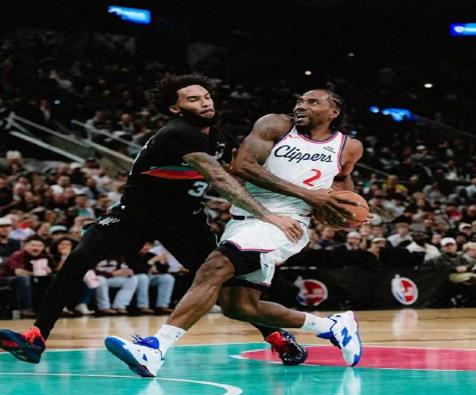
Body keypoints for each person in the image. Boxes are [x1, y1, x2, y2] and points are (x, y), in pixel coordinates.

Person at [0, 73, 331, 365]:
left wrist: (307, 194)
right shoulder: (177, 132)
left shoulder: (220, 137)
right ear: (175, 108)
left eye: (206, 96)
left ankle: (277, 337)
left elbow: (243, 172)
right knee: (78, 259)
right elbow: (219, 178)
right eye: (193, 99)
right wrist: (267, 215)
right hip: (135, 216)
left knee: (222, 283)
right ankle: (36, 337)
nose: (204, 102)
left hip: (185, 221)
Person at [105, 89, 364, 377]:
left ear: (334, 112)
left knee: (214, 267)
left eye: (312, 102)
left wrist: (343, 213)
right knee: (239, 306)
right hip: (246, 218)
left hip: (286, 223)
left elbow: (342, 186)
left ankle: (156, 349)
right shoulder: (276, 125)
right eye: (300, 101)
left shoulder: (348, 147)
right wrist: (308, 194)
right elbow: (244, 166)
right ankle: (332, 327)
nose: (301, 106)